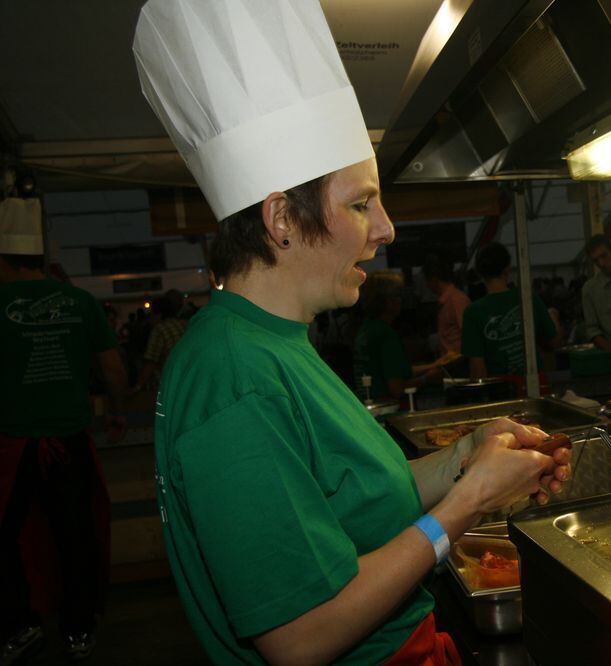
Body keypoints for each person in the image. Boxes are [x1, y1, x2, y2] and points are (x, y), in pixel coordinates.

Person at [133, 2, 571, 664]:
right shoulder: (232, 375)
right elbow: (300, 638)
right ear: (282, 218)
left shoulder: (274, 341)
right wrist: (467, 503)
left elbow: (354, 498)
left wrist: (465, 457)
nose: (387, 228)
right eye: (361, 203)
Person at [0, 196, 127, 663]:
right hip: (70, 442)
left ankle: (20, 625)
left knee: (7, 539)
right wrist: (116, 411)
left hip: (9, 446)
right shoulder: (81, 302)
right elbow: (113, 370)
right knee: (76, 536)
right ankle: (78, 630)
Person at [461, 242, 560, 392]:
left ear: (480, 273)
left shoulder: (472, 312)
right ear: (507, 268)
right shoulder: (527, 298)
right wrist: (554, 317)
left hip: (499, 392)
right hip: (535, 388)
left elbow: (478, 371)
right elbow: (555, 342)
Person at [353, 271, 443, 401]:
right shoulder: (386, 334)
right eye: (397, 295)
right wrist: (427, 378)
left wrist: (433, 365)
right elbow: (397, 389)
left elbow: (397, 371)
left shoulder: (366, 329)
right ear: (386, 301)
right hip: (386, 409)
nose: (401, 300)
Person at [131, 289, 187, 391]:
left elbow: (150, 363)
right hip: (186, 383)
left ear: (158, 314)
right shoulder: (184, 325)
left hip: (167, 387)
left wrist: (137, 386)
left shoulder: (159, 330)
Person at [421, 254, 469, 362]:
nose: (427, 285)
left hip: (459, 363)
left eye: (427, 281)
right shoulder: (449, 300)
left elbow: (468, 334)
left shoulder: (456, 300)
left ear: (434, 279)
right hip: (452, 362)